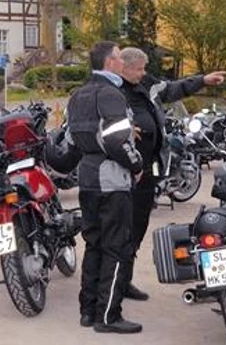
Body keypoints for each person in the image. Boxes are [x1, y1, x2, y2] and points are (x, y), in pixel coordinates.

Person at [118, 48, 226, 301]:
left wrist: (202, 80)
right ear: (124, 67)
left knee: (137, 225)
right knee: (118, 228)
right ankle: (109, 284)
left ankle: (124, 280)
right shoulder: (113, 89)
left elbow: (170, 89)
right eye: (139, 68)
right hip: (122, 170)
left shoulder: (145, 83)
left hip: (147, 168)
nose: (144, 73)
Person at [67, 41, 143, 334]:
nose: (124, 62)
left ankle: (88, 311)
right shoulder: (111, 93)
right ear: (110, 62)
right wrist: (136, 166)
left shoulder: (78, 95)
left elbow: (71, 142)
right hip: (112, 180)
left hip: (87, 179)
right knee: (117, 247)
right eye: (120, 58)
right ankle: (108, 316)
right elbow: (116, 140)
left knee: (95, 244)